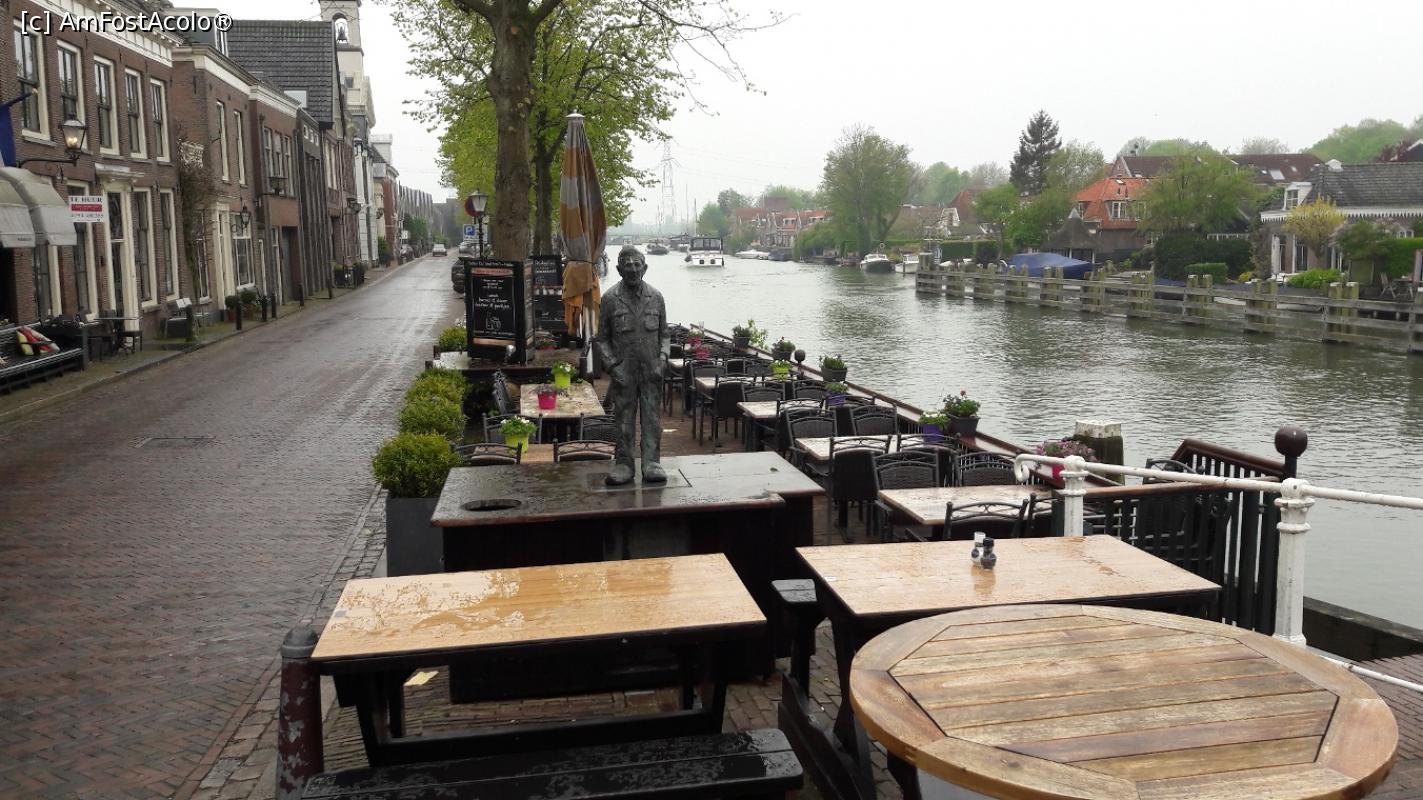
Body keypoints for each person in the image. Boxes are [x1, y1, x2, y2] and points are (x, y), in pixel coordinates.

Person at [594, 246, 669, 486]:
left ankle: (651, 462)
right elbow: (601, 339)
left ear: (645, 268)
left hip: (651, 371)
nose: (633, 269)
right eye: (628, 265)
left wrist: (663, 359)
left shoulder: (656, 297)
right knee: (624, 419)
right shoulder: (609, 299)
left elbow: (665, 335)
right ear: (619, 270)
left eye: (638, 265)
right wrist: (612, 367)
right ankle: (624, 464)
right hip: (623, 372)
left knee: (652, 418)